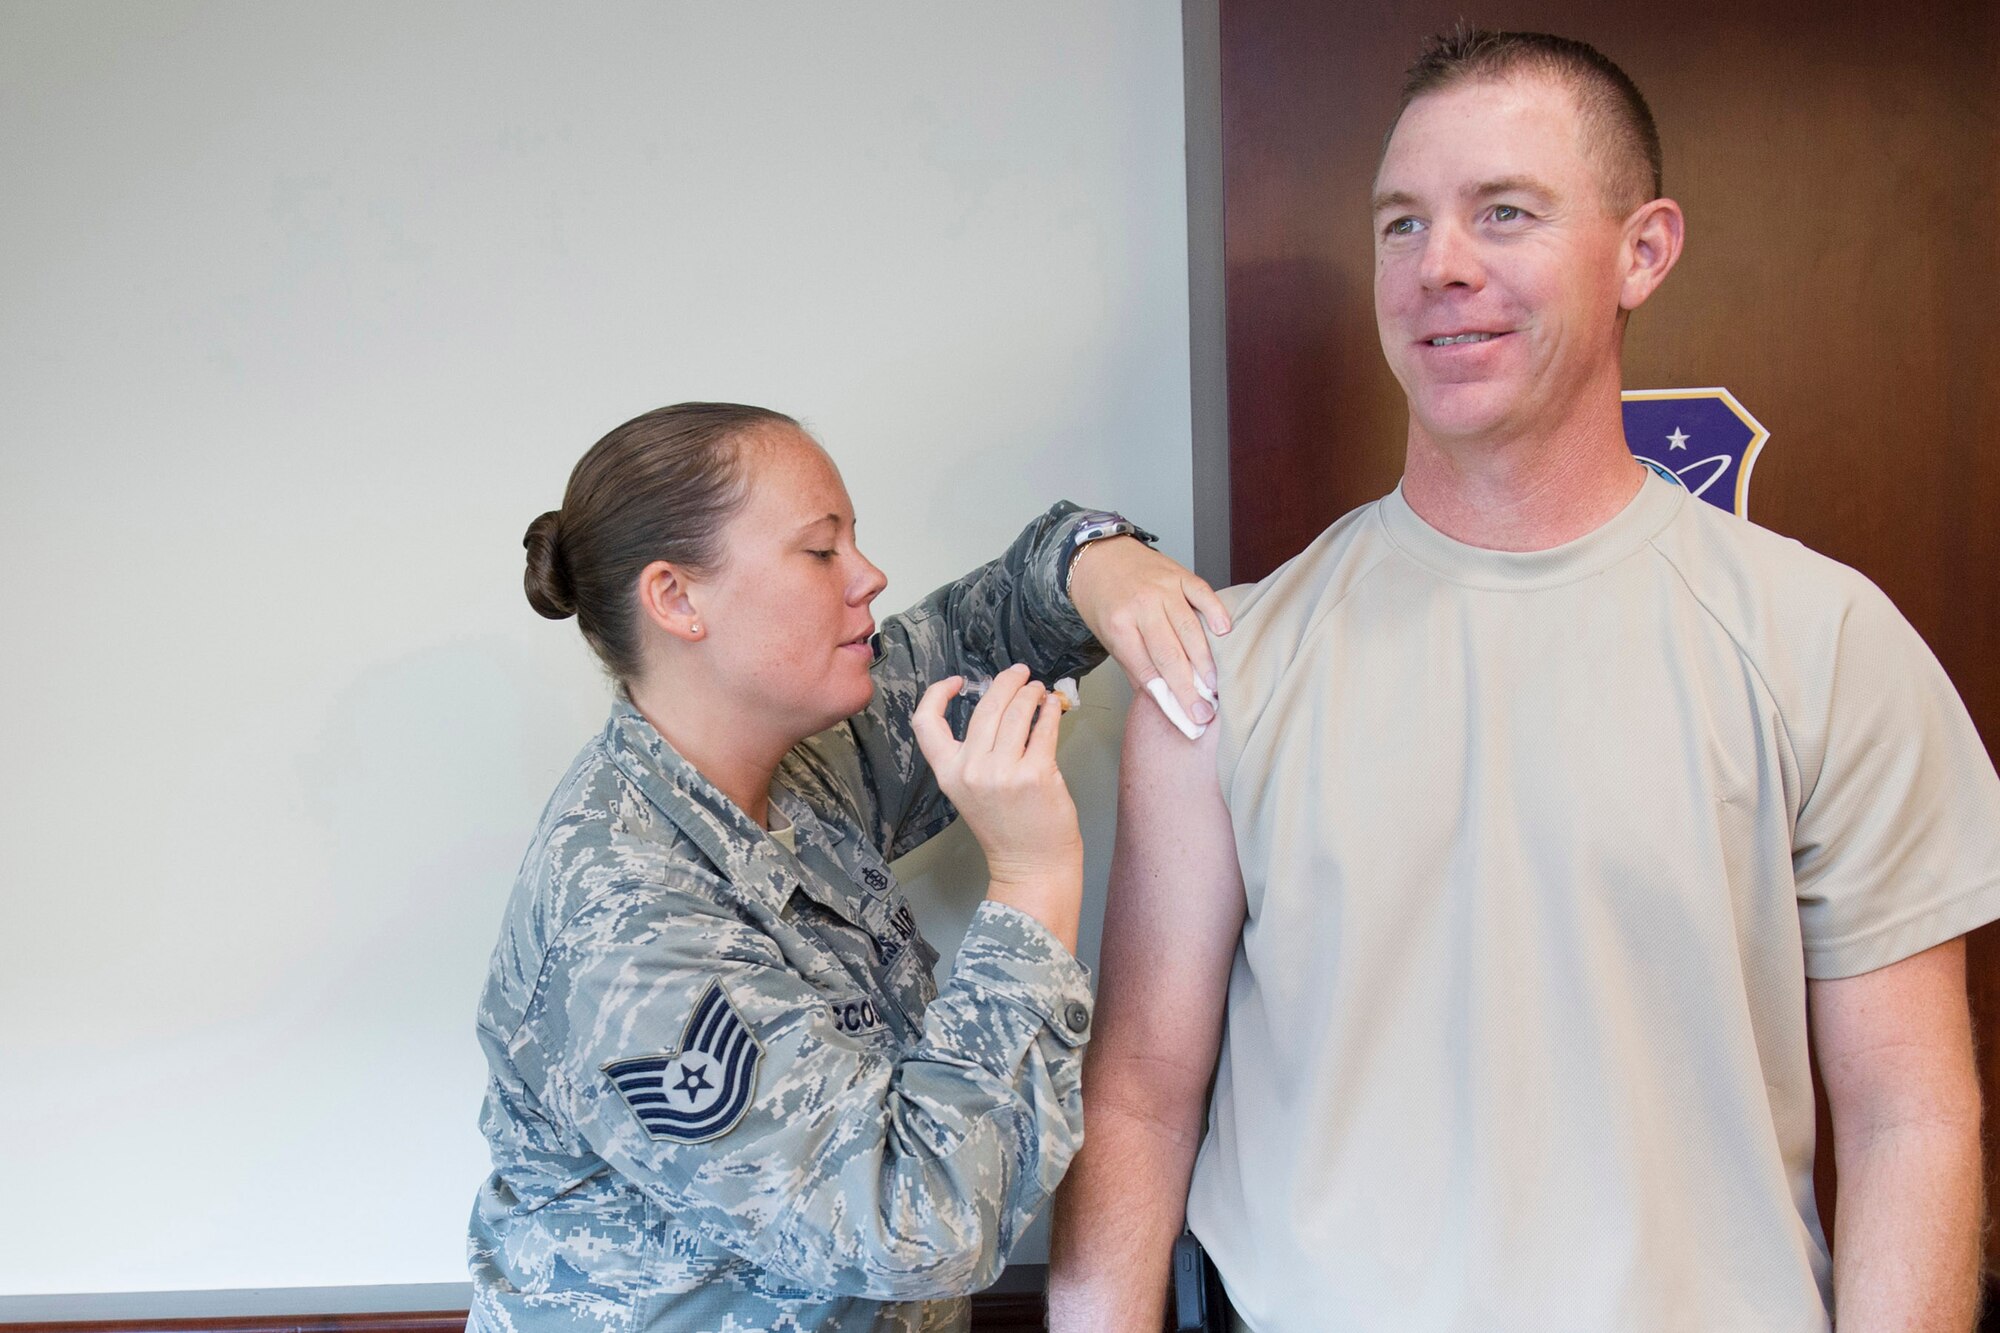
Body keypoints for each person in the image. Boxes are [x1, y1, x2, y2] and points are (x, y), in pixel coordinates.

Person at [1049, 30, 2000, 1333]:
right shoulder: (1226, 666)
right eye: (1401, 223)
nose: (1440, 265)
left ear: (1641, 250)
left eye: (1504, 212)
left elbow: (1911, 1115)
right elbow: (1142, 1099)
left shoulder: (1823, 640)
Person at [466, 401, 1229, 1332]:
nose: (868, 576)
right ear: (676, 599)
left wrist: (1096, 556)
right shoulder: (626, 923)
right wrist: (1032, 877)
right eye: (820, 551)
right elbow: (914, 1220)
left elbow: (995, 621)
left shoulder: (798, 764)